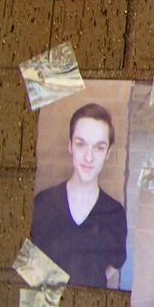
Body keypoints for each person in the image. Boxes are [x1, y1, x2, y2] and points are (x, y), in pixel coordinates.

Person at [31, 103, 126, 288]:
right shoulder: (43, 203)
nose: (88, 157)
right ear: (70, 146)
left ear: (108, 153)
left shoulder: (115, 213)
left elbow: (114, 264)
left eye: (99, 147)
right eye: (81, 144)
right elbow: (30, 262)